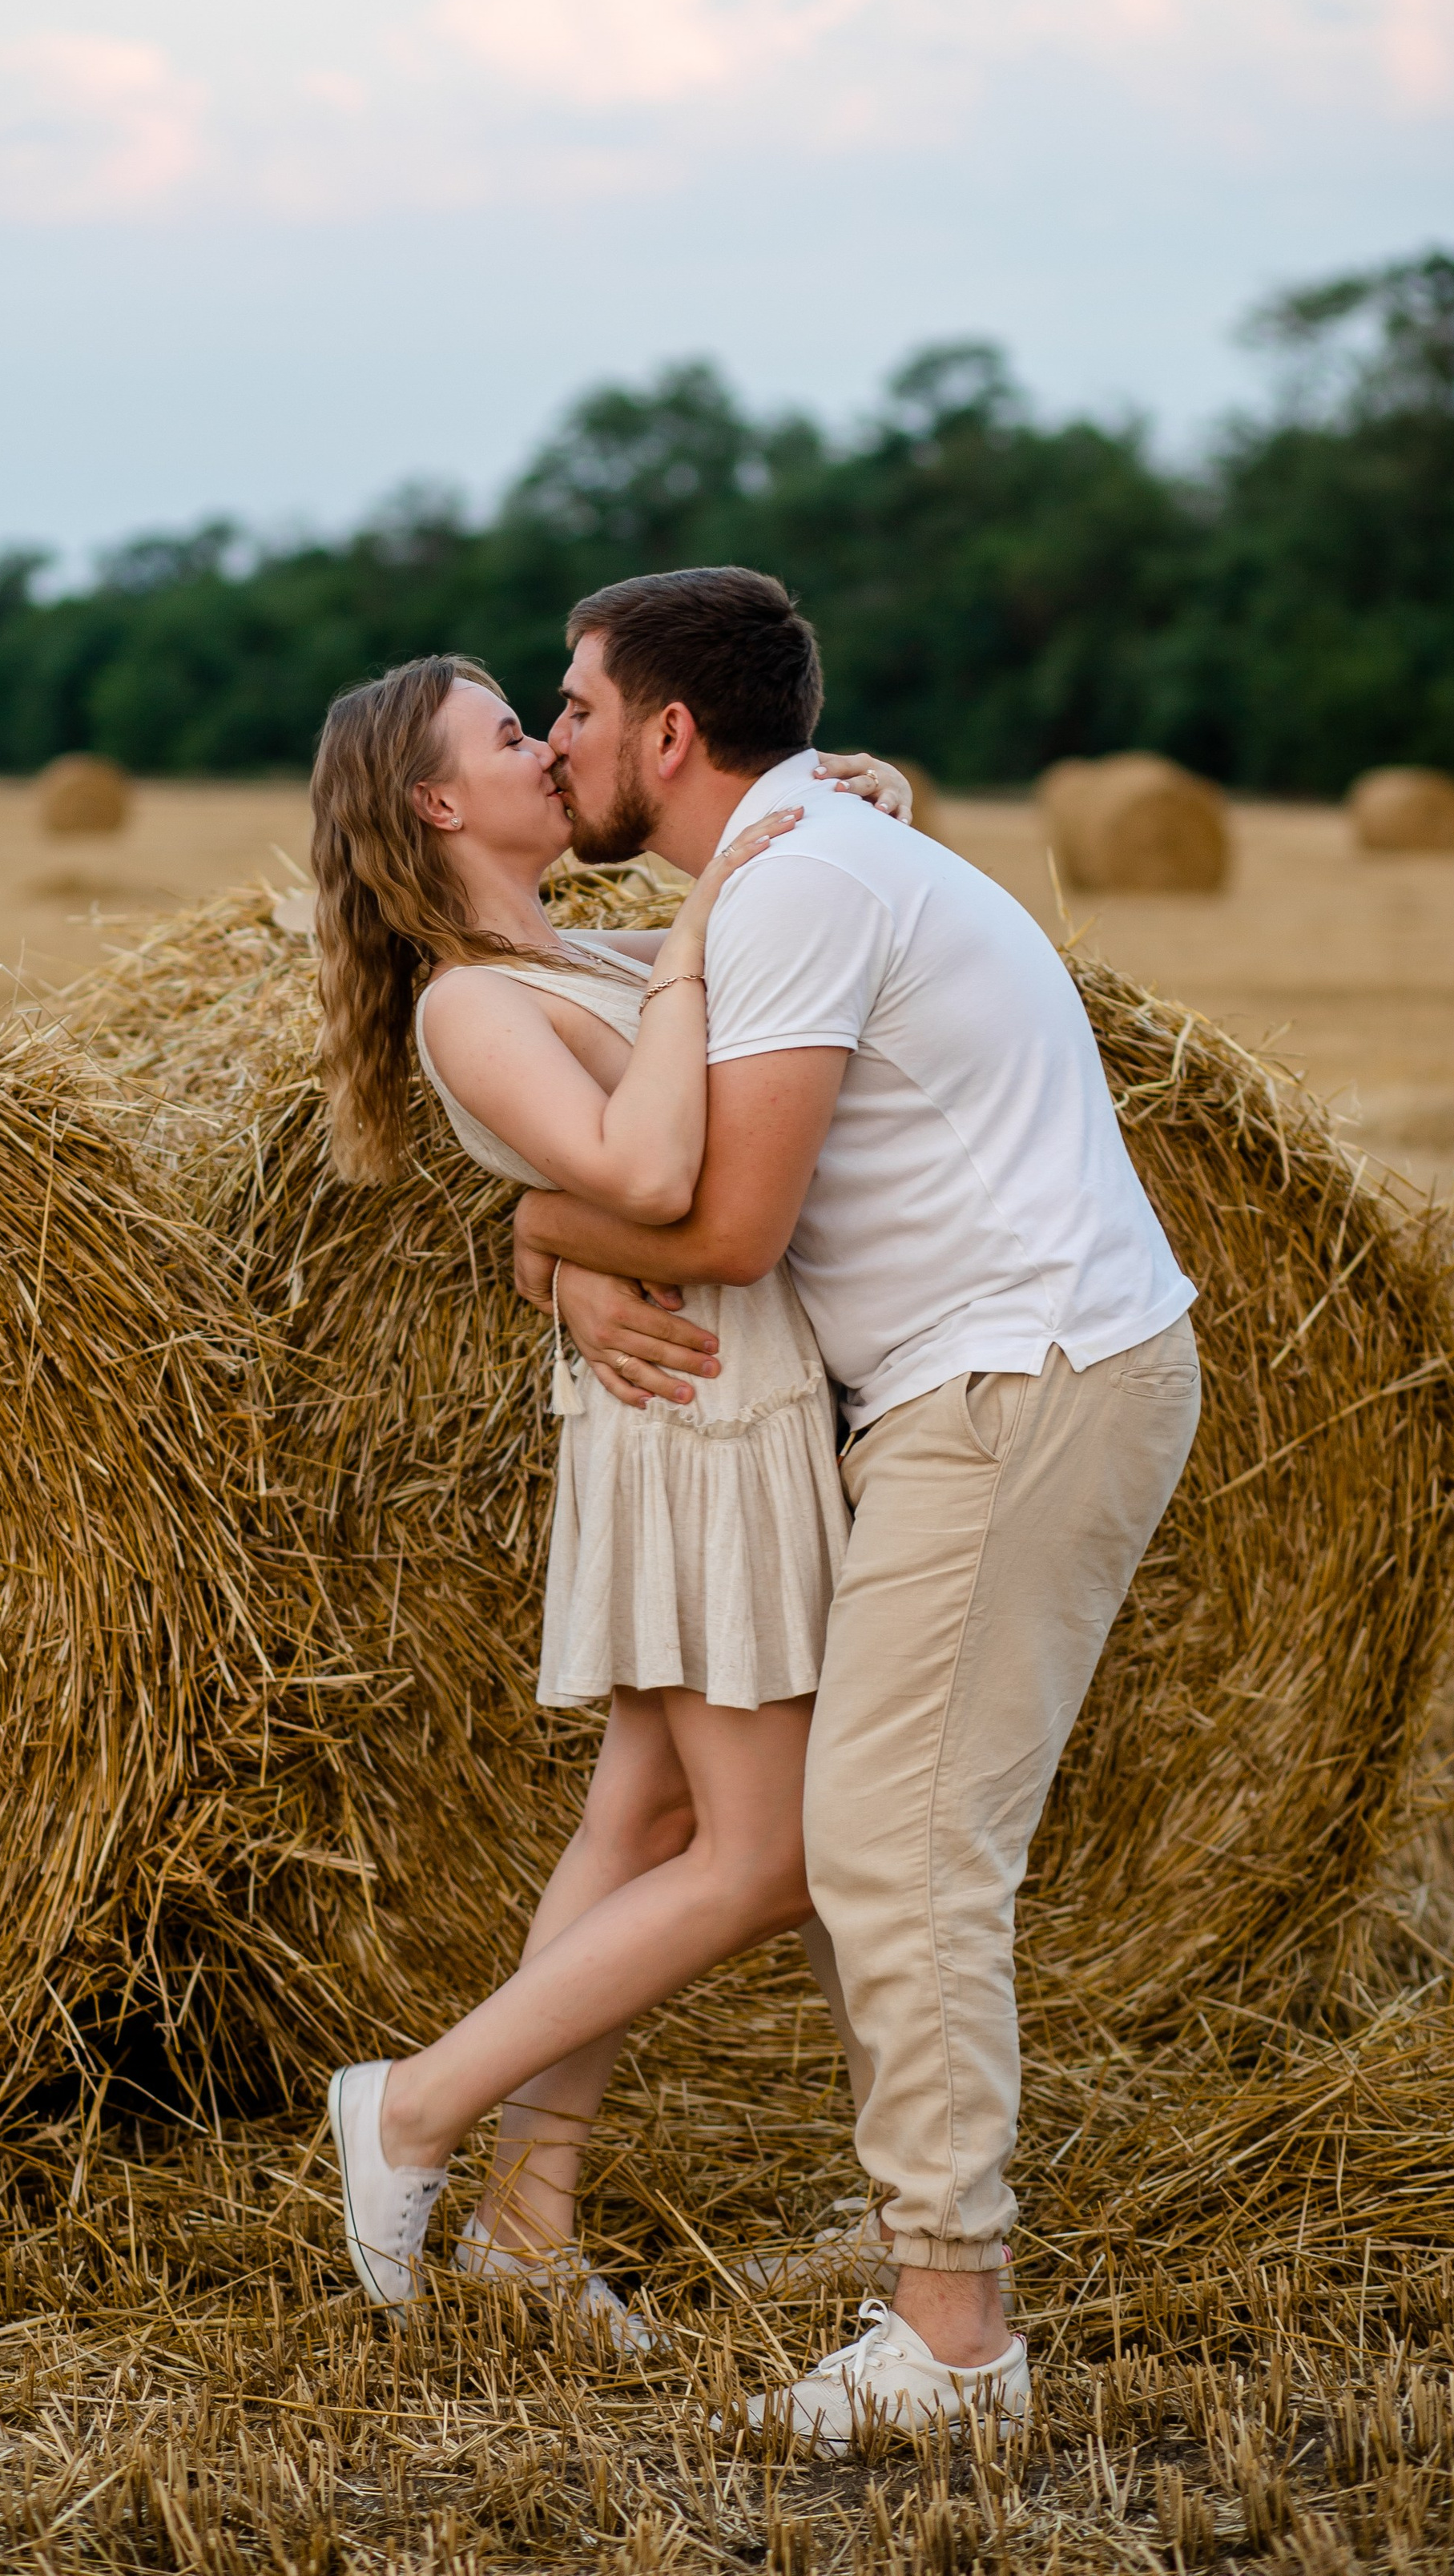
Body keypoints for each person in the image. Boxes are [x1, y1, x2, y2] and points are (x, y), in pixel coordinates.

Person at [512, 566, 1200, 2449]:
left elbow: (726, 1223)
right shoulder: (804, 853)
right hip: (993, 1381)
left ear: (666, 733)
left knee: (892, 1856)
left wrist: (533, 1231)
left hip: (1012, 1386)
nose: (550, 735)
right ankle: (918, 2247)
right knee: (878, 1842)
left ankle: (953, 2344)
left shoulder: (802, 880)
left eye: (569, 705)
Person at [307, 652, 911, 2350]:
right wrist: (722, 924)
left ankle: (524, 2219)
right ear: (440, 804)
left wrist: (824, 819)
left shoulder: (572, 954)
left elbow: (768, 1026)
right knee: (769, 1849)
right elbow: (647, 1168)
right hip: (697, 1422)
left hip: (718, 1394)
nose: (550, 749)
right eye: (512, 734)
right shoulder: (465, 1003)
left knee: (637, 1825)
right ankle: (414, 2108)